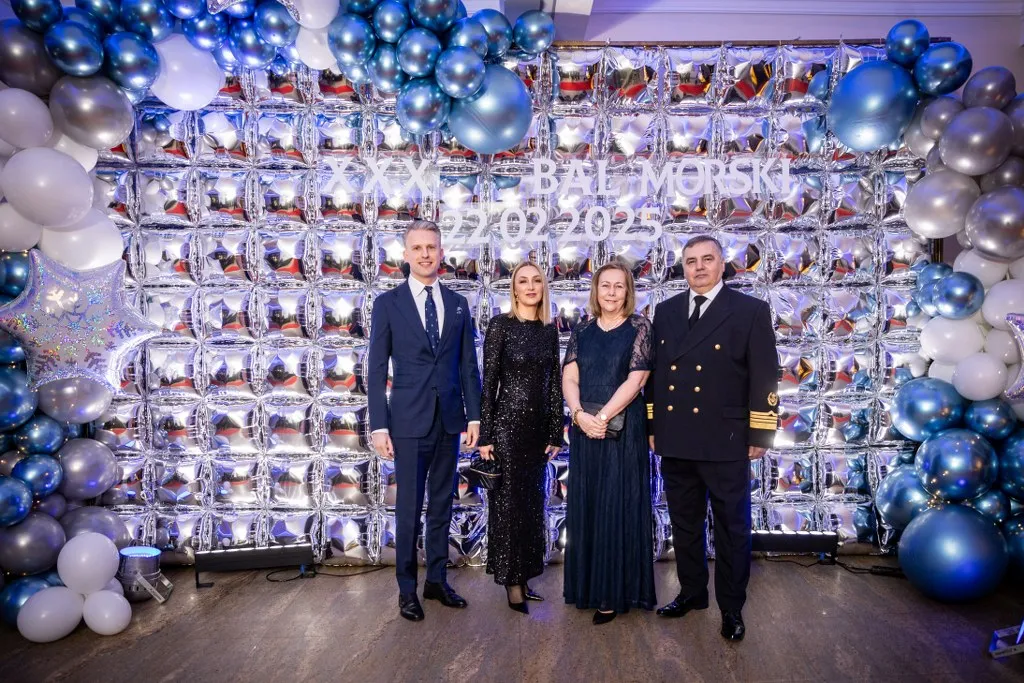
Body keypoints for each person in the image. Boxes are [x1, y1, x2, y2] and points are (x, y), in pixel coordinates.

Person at [646, 234, 779, 642]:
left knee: (731, 528)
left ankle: (732, 608)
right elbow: (656, 375)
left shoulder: (750, 310)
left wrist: (761, 430)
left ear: (722, 265)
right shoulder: (666, 311)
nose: (699, 267)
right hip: (676, 436)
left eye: (707, 259)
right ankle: (692, 592)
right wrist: (653, 426)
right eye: (691, 261)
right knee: (685, 523)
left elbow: (765, 374)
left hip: (726, 438)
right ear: (683, 267)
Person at [367, 220, 482, 622]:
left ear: (441, 252)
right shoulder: (388, 304)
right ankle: (406, 590)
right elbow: (376, 369)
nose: (425, 254)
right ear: (406, 254)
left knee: (442, 505)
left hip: (449, 421)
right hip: (407, 422)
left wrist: (474, 416)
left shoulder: (457, 304)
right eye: (417, 248)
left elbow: (468, 366)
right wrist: (379, 425)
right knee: (408, 509)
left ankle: (436, 581)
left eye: (431, 247)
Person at [562, 260, 656, 625]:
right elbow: (570, 377)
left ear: (628, 291)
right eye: (606, 285)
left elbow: (636, 381)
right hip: (585, 429)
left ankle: (614, 592)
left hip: (623, 428)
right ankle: (588, 587)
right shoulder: (582, 330)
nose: (612, 292)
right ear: (596, 290)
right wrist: (578, 415)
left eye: (619, 286)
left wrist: (601, 418)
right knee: (589, 503)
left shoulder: (640, 327)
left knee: (618, 504)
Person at [477, 261, 563, 614]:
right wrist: (486, 435)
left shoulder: (549, 331)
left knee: (531, 508)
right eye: (523, 281)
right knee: (509, 508)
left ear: (543, 287)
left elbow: (554, 385)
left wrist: (555, 431)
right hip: (507, 430)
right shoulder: (501, 326)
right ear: (514, 289)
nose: (530, 286)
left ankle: (525, 576)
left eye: (536, 281)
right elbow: (489, 384)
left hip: (537, 434)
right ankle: (512, 583)